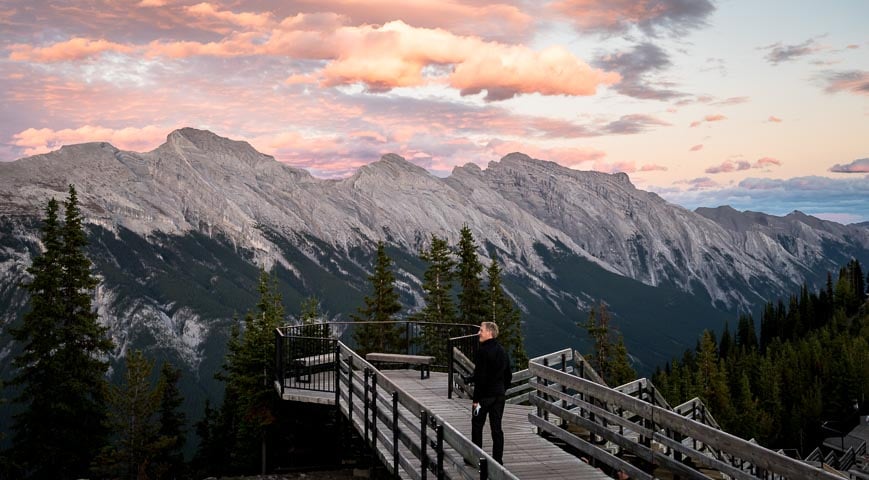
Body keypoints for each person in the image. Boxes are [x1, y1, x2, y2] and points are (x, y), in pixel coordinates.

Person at [470, 321, 512, 465]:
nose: (478, 333)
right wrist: (502, 389)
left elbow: (480, 377)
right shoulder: (502, 350)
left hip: (484, 398)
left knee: (477, 424)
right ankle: (498, 460)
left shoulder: (482, 351)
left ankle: (475, 457)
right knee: (497, 429)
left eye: (481, 330)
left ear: (490, 333)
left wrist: (476, 400)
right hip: (499, 396)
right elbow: (508, 375)